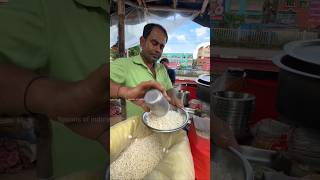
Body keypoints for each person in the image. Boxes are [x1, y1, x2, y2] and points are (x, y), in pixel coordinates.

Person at [110, 23, 182, 118]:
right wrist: (125, 92)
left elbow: (169, 89)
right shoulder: (124, 64)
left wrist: (173, 96)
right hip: (137, 128)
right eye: (154, 43)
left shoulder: (162, 68)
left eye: (161, 47)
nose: (158, 50)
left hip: (162, 124)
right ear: (142, 42)